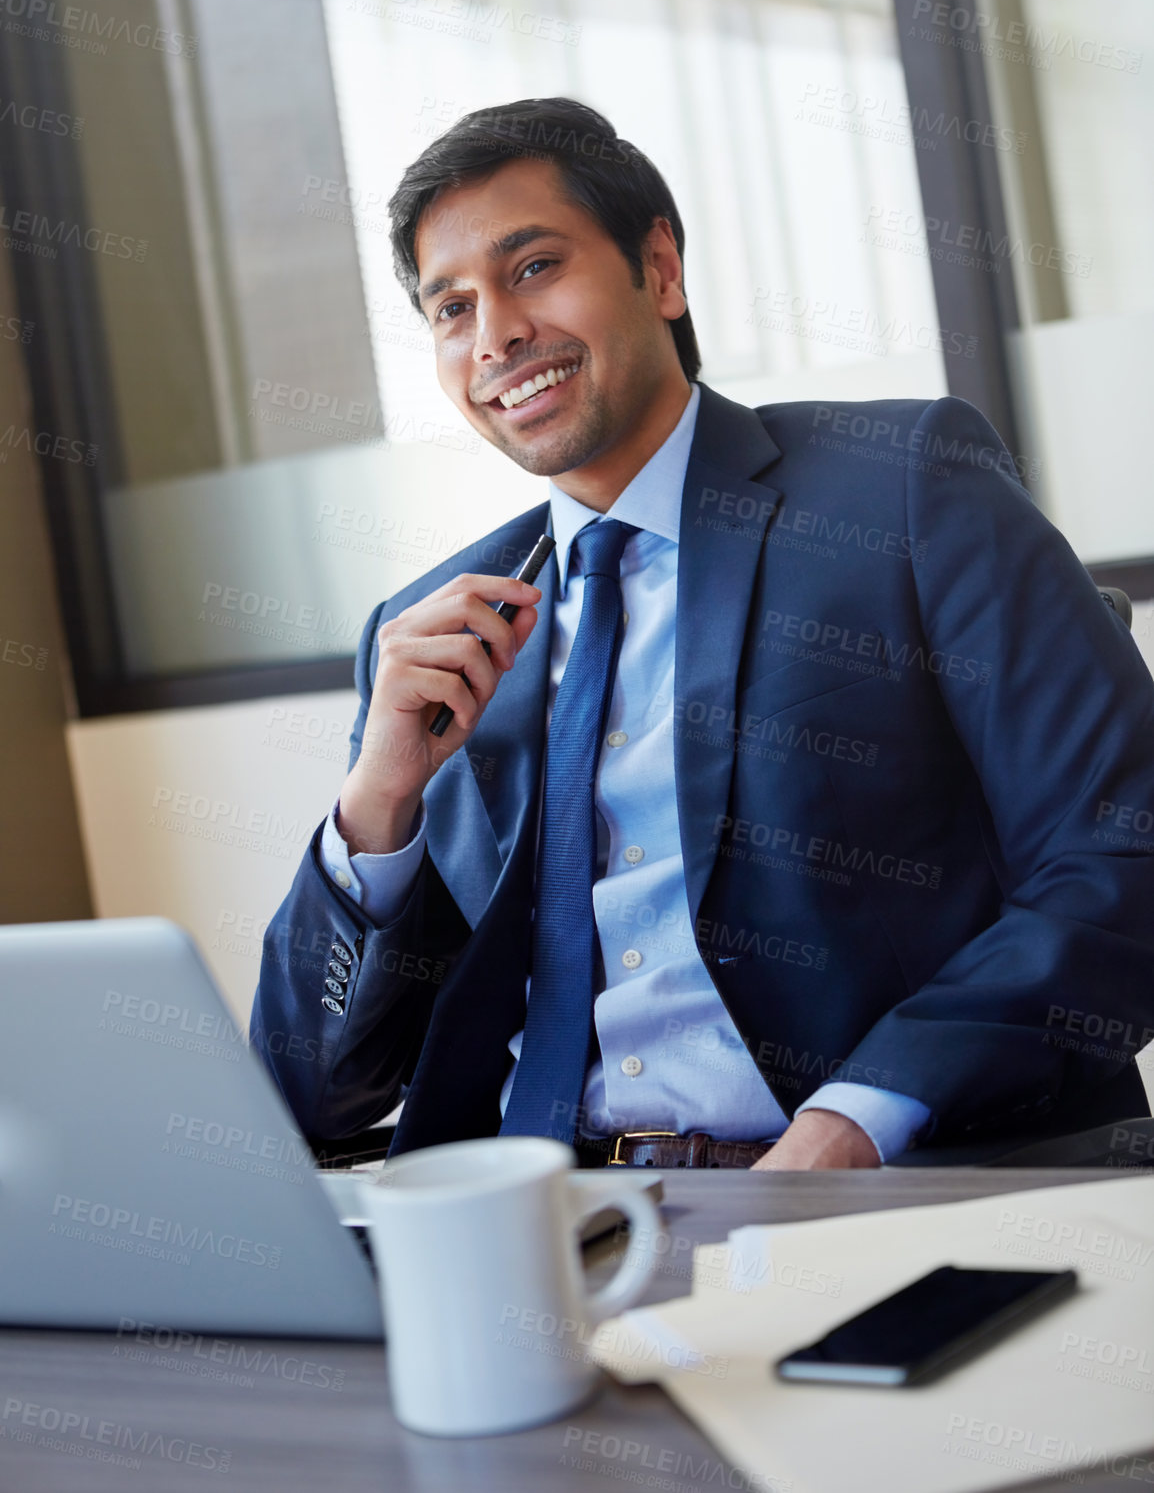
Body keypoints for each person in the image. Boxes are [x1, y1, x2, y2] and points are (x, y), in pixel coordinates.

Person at [251, 96, 1154, 1171]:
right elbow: (314, 1097)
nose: (494, 334)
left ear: (659, 269)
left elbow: (1121, 843)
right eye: (450, 309)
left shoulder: (904, 490)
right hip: (548, 1227)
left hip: (887, 1196)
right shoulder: (432, 635)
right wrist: (378, 803)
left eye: (532, 267)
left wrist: (860, 1115)